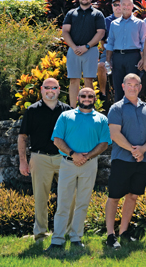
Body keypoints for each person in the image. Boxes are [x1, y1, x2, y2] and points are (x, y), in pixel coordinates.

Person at [46, 87, 110, 251]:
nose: (86, 98)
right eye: (83, 95)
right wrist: (74, 154)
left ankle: (76, 237)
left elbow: (104, 143)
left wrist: (86, 157)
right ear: (78, 97)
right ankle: (57, 239)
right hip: (68, 163)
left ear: (94, 99)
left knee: (82, 203)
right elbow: (57, 140)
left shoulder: (101, 119)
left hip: (89, 165)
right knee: (63, 203)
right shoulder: (66, 116)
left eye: (90, 96)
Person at [19, 78, 73, 242]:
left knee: (68, 197)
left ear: (59, 90)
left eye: (54, 87)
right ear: (41, 90)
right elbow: (22, 137)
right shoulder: (32, 111)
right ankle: (41, 234)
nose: (51, 90)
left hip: (63, 159)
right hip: (40, 158)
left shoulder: (67, 111)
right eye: (47, 87)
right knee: (41, 199)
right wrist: (23, 161)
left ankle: (69, 233)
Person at [105, 73, 146, 248]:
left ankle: (123, 232)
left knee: (133, 196)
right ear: (123, 86)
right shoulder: (116, 108)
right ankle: (110, 235)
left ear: (140, 87)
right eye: (129, 84)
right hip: (122, 159)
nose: (133, 87)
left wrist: (144, 149)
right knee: (114, 197)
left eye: (136, 85)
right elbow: (114, 134)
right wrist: (134, 150)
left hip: (143, 160)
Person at [62, 0, 106, 107]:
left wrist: (86, 46)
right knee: (73, 80)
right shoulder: (71, 13)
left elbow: (101, 32)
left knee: (88, 80)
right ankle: (73, 108)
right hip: (73, 51)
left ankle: (88, 108)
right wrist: (74, 47)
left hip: (90, 50)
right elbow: (65, 31)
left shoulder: (97, 14)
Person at [105, 0, 146, 102]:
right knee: (118, 87)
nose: (126, 7)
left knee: (132, 86)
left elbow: (144, 43)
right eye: (124, 4)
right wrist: (108, 61)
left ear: (132, 6)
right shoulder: (114, 24)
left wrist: (143, 59)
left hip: (133, 57)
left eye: (129, 5)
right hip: (117, 57)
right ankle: (118, 113)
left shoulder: (140, 23)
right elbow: (110, 43)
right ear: (120, 6)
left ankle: (133, 110)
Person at [98, 0, 122, 95]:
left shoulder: (130, 19)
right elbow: (102, 40)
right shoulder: (106, 20)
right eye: (115, 5)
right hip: (109, 51)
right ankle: (103, 94)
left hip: (125, 52)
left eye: (120, 4)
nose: (118, 7)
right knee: (101, 66)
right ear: (112, 6)